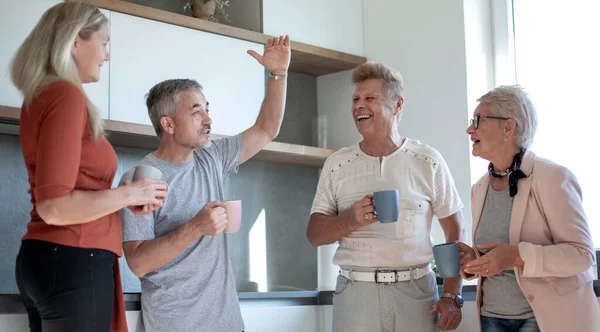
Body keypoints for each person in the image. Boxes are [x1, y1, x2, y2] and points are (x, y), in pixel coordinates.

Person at [10, 2, 168, 331]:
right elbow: (55, 206)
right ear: (76, 41)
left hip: (49, 260)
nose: (107, 55)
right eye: (105, 42)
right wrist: (129, 194)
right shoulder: (65, 95)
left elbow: (62, 195)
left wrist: (124, 198)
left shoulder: (38, 97)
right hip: (73, 259)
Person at [118, 35, 291, 332]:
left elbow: (266, 129)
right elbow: (139, 263)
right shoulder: (140, 178)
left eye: (207, 109)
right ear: (168, 124)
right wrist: (196, 227)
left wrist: (278, 75)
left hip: (227, 324)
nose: (209, 119)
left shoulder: (211, 158)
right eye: (196, 112)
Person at [307, 62, 466, 332]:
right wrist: (351, 219)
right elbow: (315, 235)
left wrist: (451, 295)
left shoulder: (428, 160)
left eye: (370, 98)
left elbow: (455, 231)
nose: (359, 105)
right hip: (355, 292)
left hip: (417, 292)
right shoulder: (337, 163)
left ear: (397, 104)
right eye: (356, 99)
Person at [460, 85, 600, 332]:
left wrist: (517, 256)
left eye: (478, 120)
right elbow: (498, 251)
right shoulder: (479, 188)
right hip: (492, 316)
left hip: (543, 320)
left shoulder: (553, 177)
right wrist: (475, 259)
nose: (470, 129)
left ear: (508, 127)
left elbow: (582, 255)